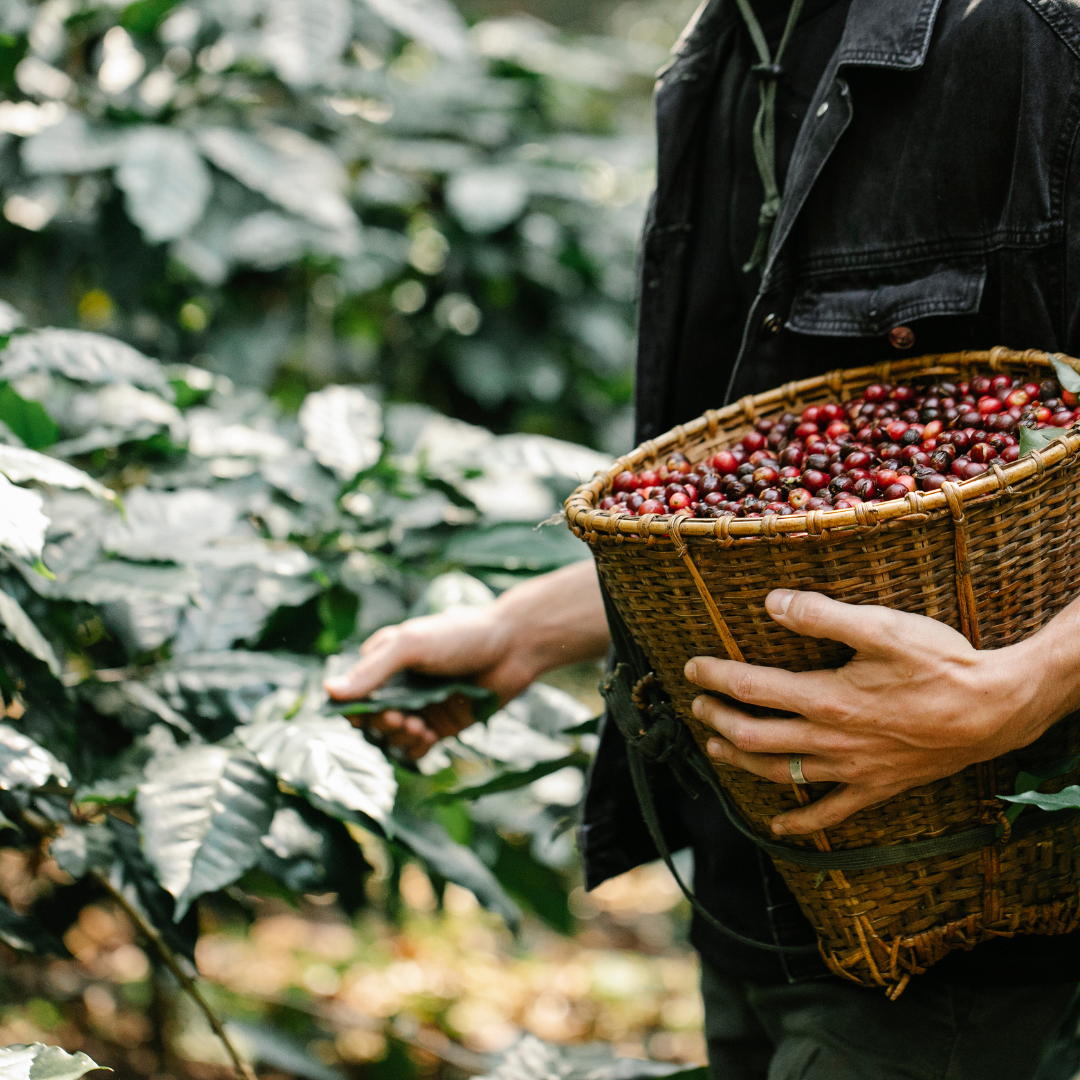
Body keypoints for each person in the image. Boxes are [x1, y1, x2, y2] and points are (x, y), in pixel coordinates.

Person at [327, 1, 1080, 1076]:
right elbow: (778, 514)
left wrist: (1025, 686)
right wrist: (521, 632)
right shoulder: (726, 50)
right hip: (757, 885)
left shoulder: (1032, 30)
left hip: (975, 921)